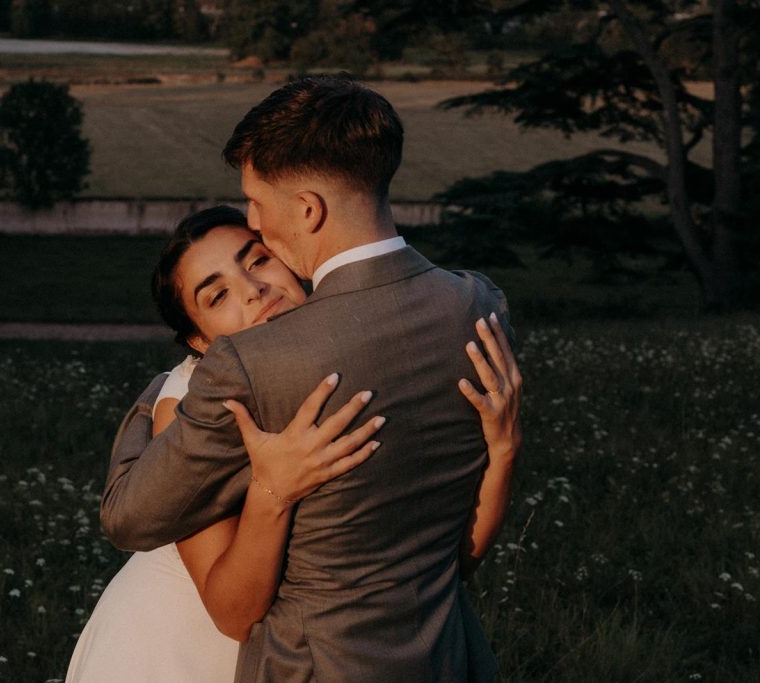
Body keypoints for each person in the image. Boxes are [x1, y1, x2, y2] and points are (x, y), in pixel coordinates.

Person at [101, 76, 518, 681]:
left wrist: (148, 406)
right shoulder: (479, 306)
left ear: (306, 209)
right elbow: (446, 552)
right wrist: (504, 449)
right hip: (446, 658)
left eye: (256, 202)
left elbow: (127, 518)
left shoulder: (251, 366)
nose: (254, 219)